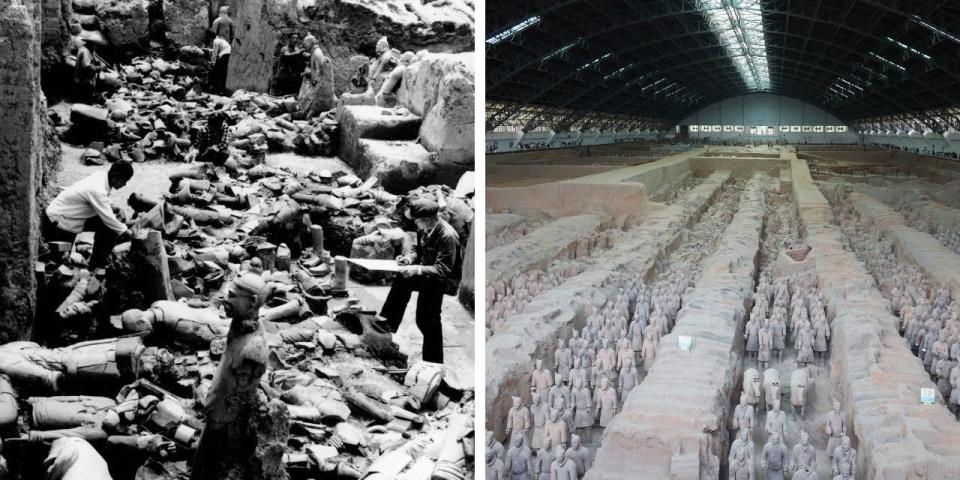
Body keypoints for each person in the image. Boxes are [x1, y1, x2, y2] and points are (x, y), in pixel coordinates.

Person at [376, 198, 461, 364]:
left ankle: (433, 363)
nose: (416, 224)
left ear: (427, 219)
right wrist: (408, 259)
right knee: (403, 278)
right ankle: (388, 323)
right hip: (428, 273)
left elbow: (443, 269)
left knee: (427, 320)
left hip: (442, 280)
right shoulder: (426, 227)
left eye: (417, 221)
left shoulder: (448, 236)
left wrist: (417, 269)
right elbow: (417, 249)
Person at [44, 162, 134, 272]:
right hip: (59, 221)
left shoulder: (101, 175)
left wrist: (117, 208)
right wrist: (132, 235)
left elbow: (104, 201)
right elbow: (109, 219)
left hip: (69, 215)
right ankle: (94, 268)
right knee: (60, 266)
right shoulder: (97, 190)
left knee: (109, 228)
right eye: (124, 181)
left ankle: (96, 265)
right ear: (115, 176)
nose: (124, 184)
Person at [73, 38, 101, 103]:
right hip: (85, 81)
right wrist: (98, 68)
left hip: (84, 80)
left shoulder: (85, 49)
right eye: (96, 45)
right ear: (91, 44)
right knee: (85, 100)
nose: (96, 47)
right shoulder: (85, 51)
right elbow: (87, 66)